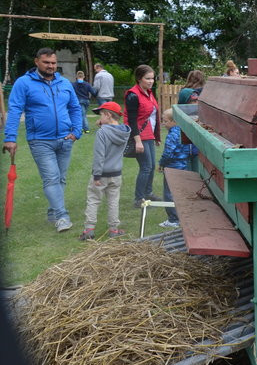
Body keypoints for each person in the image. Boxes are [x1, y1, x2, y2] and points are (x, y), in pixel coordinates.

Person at [3, 48, 83, 232]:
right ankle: (62, 216)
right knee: (51, 179)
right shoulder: (24, 83)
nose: (51, 66)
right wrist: (10, 138)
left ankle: (52, 211)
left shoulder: (64, 83)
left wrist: (76, 131)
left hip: (65, 138)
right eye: (47, 62)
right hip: (40, 140)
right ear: (36, 61)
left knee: (61, 179)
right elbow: (14, 110)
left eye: (53, 63)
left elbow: (75, 108)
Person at [78, 102, 131, 240]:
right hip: (116, 173)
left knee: (94, 199)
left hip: (101, 174)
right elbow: (112, 135)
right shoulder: (124, 131)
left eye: (101, 114)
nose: (100, 117)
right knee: (113, 201)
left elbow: (99, 156)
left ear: (107, 115)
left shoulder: (102, 133)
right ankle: (114, 230)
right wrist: (103, 126)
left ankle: (89, 230)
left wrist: (96, 176)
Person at [124, 64, 161, 208]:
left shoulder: (149, 93)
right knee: (146, 167)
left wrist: (156, 136)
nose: (151, 81)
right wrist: (137, 141)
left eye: (153, 78)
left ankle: (148, 192)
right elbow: (132, 120)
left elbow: (153, 116)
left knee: (151, 166)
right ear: (139, 78)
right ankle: (139, 199)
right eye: (148, 78)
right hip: (139, 135)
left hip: (149, 135)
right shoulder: (133, 95)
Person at [157, 108, 193, 228]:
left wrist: (162, 163)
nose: (163, 124)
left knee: (169, 193)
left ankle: (173, 220)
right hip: (183, 165)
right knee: (181, 192)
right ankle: (183, 216)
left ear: (174, 122)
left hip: (172, 167)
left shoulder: (172, 135)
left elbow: (168, 152)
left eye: (165, 121)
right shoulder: (184, 132)